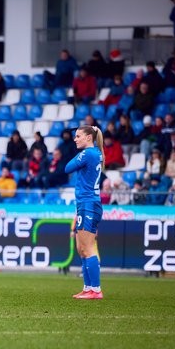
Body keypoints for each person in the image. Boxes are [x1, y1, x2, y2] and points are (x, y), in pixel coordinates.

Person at [65, 125, 105, 299]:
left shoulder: (88, 153)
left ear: (89, 137)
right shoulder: (96, 152)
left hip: (89, 204)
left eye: (78, 136)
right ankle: (88, 287)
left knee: (87, 248)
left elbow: (67, 167)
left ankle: (95, 290)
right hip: (86, 203)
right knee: (82, 249)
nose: (75, 139)